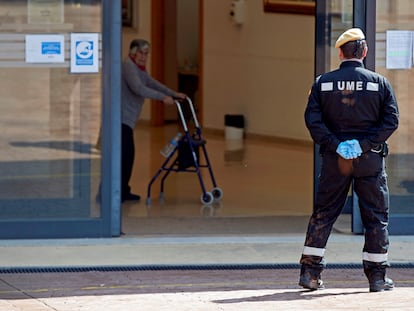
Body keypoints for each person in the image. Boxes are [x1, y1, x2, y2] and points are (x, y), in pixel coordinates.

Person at [299, 28, 399, 292]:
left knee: (324, 213)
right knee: (376, 217)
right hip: (370, 161)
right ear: (364, 52)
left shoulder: (322, 83)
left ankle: (310, 274)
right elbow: (391, 121)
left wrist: (337, 145)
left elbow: (313, 122)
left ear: (340, 52)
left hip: (335, 160)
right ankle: (377, 278)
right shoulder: (379, 83)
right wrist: (364, 145)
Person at [121, 39, 186, 202]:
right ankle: (120, 191)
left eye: (146, 53)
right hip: (121, 118)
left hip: (128, 119)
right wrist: (162, 98)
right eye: (141, 53)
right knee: (126, 155)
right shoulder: (129, 66)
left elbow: (152, 83)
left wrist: (173, 93)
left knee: (127, 156)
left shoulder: (139, 69)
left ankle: (122, 190)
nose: (144, 57)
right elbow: (139, 88)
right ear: (133, 53)